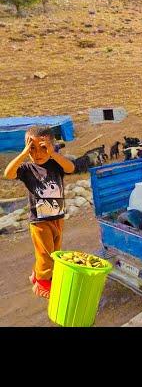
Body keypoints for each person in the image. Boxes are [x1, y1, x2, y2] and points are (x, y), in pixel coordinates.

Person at [3, 126, 75, 299]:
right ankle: (43, 283)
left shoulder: (56, 164)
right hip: (39, 221)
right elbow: (8, 174)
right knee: (45, 253)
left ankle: (38, 273)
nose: (37, 153)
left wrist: (53, 153)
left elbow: (71, 168)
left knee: (55, 250)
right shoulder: (27, 169)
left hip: (58, 217)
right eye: (32, 148)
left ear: (51, 146)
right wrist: (22, 154)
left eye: (42, 147)